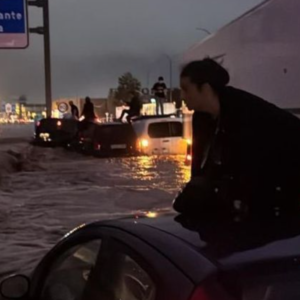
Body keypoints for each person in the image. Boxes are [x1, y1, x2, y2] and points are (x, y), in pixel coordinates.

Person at [173, 58, 300, 218]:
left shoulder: (245, 112)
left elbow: (250, 169)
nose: (182, 96)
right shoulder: (201, 117)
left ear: (205, 89)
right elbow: (199, 165)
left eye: (186, 89)